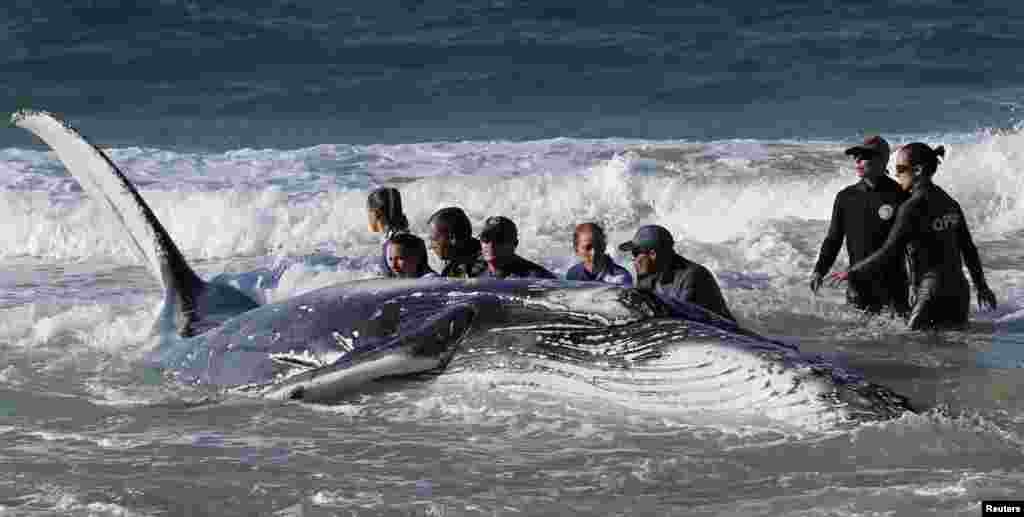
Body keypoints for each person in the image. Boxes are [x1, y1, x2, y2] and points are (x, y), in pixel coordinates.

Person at [829, 143, 997, 329]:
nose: (897, 175)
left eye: (900, 170)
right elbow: (968, 248)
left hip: (930, 290)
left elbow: (889, 250)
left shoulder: (911, 207)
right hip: (960, 292)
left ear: (917, 170)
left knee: (909, 345)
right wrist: (982, 287)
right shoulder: (949, 202)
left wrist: (853, 271)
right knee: (951, 350)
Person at [810, 135, 911, 315]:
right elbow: (833, 239)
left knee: (901, 341)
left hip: (894, 287)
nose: (857, 160)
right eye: (856, 156)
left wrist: (918, 284)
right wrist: (819, 270)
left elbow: (913, 245)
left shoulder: (900, 196)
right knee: (858, 341)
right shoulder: (846, 197)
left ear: (882, 160)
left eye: (864, 156)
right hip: (858, 287)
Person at [618, 225, 735, 322]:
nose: (634, 260)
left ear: (653, 254)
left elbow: (682, 322)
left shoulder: (693, 276)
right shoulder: (652, 271)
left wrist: (644, 278)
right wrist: (643, 278)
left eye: (635, 253)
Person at [478, 216, 557, 279]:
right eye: (486, 238)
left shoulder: (536, 277)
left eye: (499, 239)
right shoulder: (472, 267)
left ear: (514, 244)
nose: (491, 244)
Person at [427, 207, 487, 278]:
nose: (430, 246)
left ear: (452, 238)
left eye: (434, 239)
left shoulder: (487, 266)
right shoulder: (454, 266)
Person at [565, 222, 632, 285]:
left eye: (598, 246)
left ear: (604, 246)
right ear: (576, 250)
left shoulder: (621, 277)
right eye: (587, 248)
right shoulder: (572, 275)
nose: (594, 252)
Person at [367, 187, 410, 277]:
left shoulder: (392, 245)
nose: (368, 218)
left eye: (369, 212)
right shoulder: (404, 237)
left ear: (377, 213)